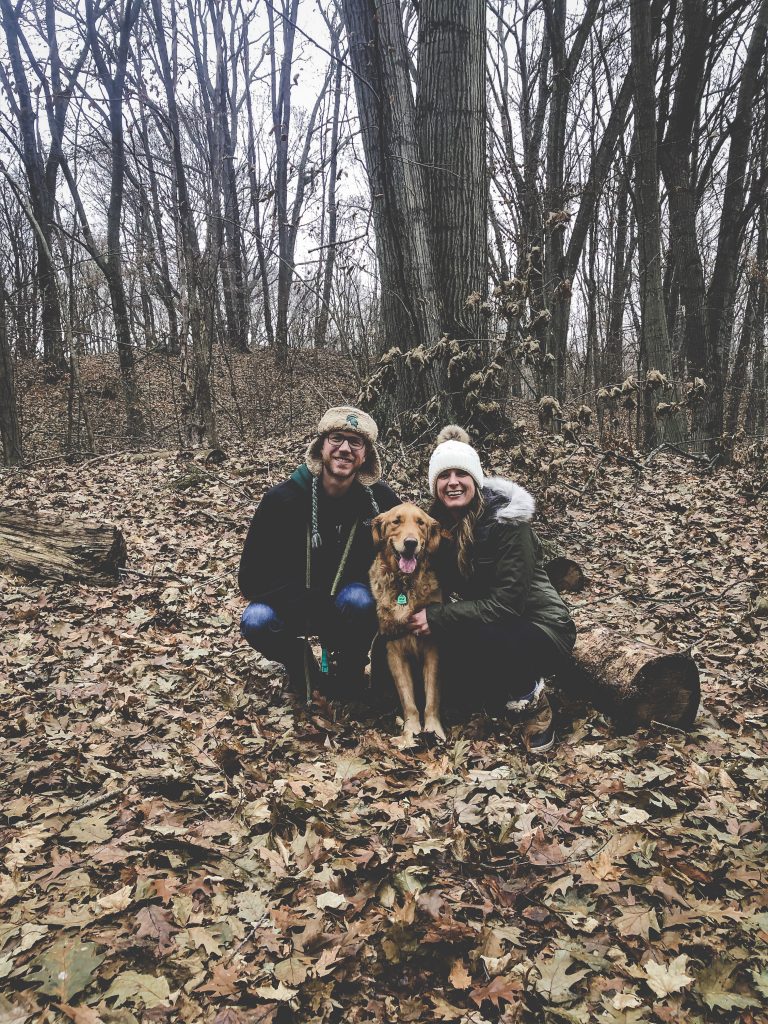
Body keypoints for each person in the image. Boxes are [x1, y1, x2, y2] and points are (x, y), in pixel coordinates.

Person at [407, 425, 576, 752]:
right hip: (493, 620)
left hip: (540, 627)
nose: (453, 482)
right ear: (435, 485)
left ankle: (535, 707)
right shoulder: (436, 525)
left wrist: (439, 616)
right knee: (453, 640)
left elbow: (507, 604)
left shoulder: (508, 521)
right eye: (444, 476)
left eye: (461, 474)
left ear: (476, 479)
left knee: (483, 629)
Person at [239, 406, 399, 698]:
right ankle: (300, 664)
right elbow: (250, 579)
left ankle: (349, 669)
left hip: (349, 607)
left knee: (360, 599)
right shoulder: (281, 501)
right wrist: (307, 602)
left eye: (356, 442)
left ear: (366, 455)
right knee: (256, 620)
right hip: (295, 604)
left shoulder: (381, 501)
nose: (345, 449)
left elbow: (406, 554)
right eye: (337, 438)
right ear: (321, 445)